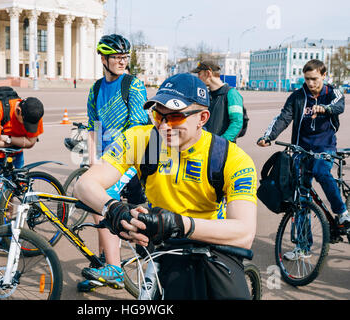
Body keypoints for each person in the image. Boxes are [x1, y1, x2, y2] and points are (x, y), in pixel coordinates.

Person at [75, 73, 257, 299]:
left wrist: (180, 224)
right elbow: (84, 184)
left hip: (212, 244)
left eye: (175, 117)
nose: (163, 126)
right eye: (157, 115)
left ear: (202, 117)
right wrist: (113, 208)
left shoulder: (227, 157)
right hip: (162, 242)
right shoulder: (143, 141)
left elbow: (244, 233)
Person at [257, 59, 349, 260]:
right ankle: (303, 247)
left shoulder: (332, 93)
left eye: (314, 79)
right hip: (301, 149)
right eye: (307, 79)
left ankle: (341, 211)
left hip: (325, 147)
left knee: (321, 171)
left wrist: (325, 109)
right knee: (300, 199)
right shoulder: (297, 97)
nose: (310, 83)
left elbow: (339, 105)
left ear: (324, 76)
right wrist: (268, 136)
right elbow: (283, 117)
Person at [78, 34, 149, 291]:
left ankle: (115, 269)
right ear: (103, 59)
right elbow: (93, 126)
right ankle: (103, 266)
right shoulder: (96, 89)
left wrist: (109, 160)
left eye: (125, 57)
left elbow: (138, 128)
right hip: (110, 159)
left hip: (132, 155)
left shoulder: (133, 85)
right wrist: (93, 160)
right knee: (93, 202)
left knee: (102, 195)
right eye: (117, 57)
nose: (122, 61)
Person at [0, 96, 44, 222]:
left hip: (15, 157)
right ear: (18, 110)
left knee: (9, 197)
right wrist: (19, 142)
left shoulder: (34, 113)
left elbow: (30, 142)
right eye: (24, 123)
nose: (26, 127)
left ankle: (6, 232)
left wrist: (6, 138)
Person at [191, 60, 244, 142]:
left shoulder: (231, 94)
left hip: (221, 149)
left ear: (208, 73)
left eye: (199, 74)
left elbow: (236, 123)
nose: (198, 77)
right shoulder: (207, 95)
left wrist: (220, 143)